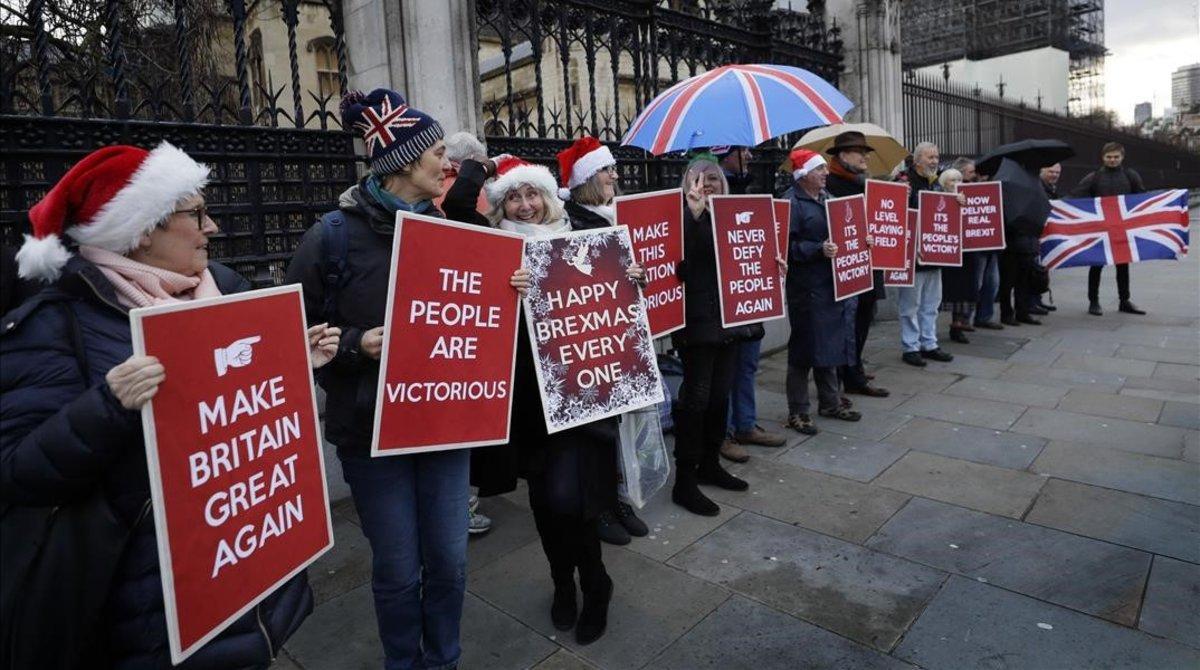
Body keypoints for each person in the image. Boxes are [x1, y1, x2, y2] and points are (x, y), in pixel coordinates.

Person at [1, 142, 333, 668]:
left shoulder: (224, 288)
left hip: (247, 572)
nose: (213, 227)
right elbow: (19, 471)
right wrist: (109, 405)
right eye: (196, 213)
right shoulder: (56, 323)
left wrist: (296, 364)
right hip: (147, 606)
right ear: (142, 229)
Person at [285, 89, 514, 670]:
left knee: (450, 561)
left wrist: (511, 293)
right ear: (406, 163)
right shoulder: (331, 237)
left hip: (441, 426)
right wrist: (357, 346)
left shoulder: (452, 228)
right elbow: (291, 338)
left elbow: (475, 318)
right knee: (395, 567)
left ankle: (443, 659)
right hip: (370, 434)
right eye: (438, 152)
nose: (448, 164)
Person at [467, 152, 643, 645]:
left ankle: (596, 582)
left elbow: (616, 311)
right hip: (526, 402)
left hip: (581, 395)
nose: (524, 206)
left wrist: (632, 284)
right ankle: (562, 584)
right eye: (513, 198)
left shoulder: (586, 235)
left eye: (532, 194)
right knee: (546, 502)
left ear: (549, 197)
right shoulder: (492, 252)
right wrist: (503, 292)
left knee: (574, 499)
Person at [555, 135, 650, 547]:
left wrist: (637, 277)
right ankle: (598, 510)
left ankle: (616, 499)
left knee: (617, 427)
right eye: (607, 170)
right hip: (586, 340)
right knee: (595, 434)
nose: (615, 175)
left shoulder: (616, 216)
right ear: (588, 177)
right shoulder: (570, 221)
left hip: (619, 334)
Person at [671, 153, 773, 517]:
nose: (707, 184)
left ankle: (710, 464)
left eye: (713, 178)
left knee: (719, 399)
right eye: (699, 178)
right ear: (687, 184)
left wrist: (771, 263)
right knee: (695, 401)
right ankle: (685, 480)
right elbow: (679, 266)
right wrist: (695, 215)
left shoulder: (735, 215)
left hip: (733, 322)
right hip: (698, 323)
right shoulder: (681, 216)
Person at [707, 145, 788, 462]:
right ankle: (724, 433)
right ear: (726, 153)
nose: (751, 156)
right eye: (744, 151)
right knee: (725, 370)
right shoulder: (709, 197)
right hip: (724, 301)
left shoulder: (749, 190)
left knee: (748, 364)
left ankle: (745, 424)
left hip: (750, 295)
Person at [782, 148, 862, 436]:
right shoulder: (791, 203)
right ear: (804, 175)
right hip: (806, 288)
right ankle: (798, 411)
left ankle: (830, 401)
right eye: (819, 170)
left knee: (830, 343)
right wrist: (817, 249)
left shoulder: (829, 199)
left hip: (831, 283)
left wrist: (860, 239)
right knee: (804, 349)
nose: (826, 173)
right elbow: (783, 248)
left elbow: (845, 230)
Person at [823, 131, 889, 398]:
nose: (864, 157)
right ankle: (848, 374)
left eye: (865, 152)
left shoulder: (864, 184)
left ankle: (854, 367)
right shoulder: (831, 185)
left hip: (868, 262)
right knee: (847, 323)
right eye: (858, 152)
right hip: (846, 265)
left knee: (863, 317)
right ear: (841, 156)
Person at [1072, 143, 1146, 316]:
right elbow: (1076, 195)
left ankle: (1124, 301)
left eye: (1116, 157)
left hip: (1122, 229)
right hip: (1100, 229)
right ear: (1103, 158)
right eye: (1109, 157)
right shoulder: (1094, 177)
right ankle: (1093, 301)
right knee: (1096, 265)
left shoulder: (1130, 175)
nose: (1112, 160)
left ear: (1122, 157)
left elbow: (1141, 198)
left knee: (1123, 266)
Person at [897, 142, 954, 367]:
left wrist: (956, 201)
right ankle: (910, 347)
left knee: (931, 303)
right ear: (917, 159)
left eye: (936, 157)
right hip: (912, 255)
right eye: (930, 157)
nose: (934, 161)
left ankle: (929, 343)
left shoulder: (937, 183)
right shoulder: (904, 181)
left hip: (934, 252)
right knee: (910, 305)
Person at [936, 167, 977, 344]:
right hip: (945, 251)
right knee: (946, 290)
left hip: (965, 250)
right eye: (952, 181)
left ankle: (958, 325)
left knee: (963, 289)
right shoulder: (937, 197)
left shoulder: (967, 197)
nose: (955, 184)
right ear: (944, 183)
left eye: (958, 180)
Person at [966, 157, 1004, 331]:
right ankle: (966, 318)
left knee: (992, 282)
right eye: (972, 172)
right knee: (975, 283)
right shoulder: (961, 189)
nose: (976, 175)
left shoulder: (990, 187)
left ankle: (984, 316)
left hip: (990, 243)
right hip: (974, 245)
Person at [1031, 163, 1062, 315]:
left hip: (1042, 235)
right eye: (1051, 171)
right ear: (1042, 170)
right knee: (1035, 270)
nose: (1054, 175)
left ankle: (1037, 300)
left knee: (1041, 269)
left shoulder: (1050, 188)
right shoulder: (1039, 187)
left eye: (1057, 172)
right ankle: (1032, 302)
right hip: (1035, 235)